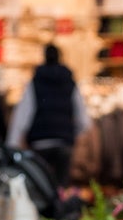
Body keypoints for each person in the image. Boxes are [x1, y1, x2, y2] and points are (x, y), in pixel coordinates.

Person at [8, 41, 88, 179]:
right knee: (61, 189)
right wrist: (73, 134)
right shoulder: (69, 82)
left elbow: (23, 115)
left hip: (40, 143)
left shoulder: (35, 82)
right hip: (64, 143)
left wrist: (12, 146)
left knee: (42, 187)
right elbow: (84, 119)